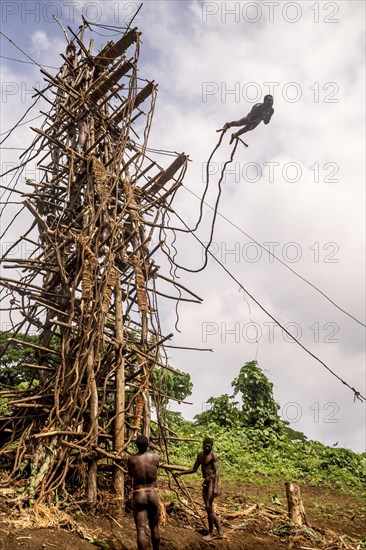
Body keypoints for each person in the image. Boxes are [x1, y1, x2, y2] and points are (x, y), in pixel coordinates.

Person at [175, 437, 222, 541]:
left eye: (209, 446)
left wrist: (216, 488)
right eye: (205, 446)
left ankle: (211, 533)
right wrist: (181, 473)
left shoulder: (213, 456)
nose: (207, 448)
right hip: (205, 482)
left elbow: (217, 472)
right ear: (203, 445)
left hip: (212, 482)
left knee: (209, 507)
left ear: (212, 446)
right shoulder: (200, 455)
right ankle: (220, 532)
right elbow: (194, 469)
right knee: (208, 508)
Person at [127, 435, 160, 550]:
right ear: (148, 445)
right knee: (154, 527)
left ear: (136, 445)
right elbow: (156, 471)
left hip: (139, 494)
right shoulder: (156, 457)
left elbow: (131, 474)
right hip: (153, 493)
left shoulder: (132, 459)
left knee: (141, 529)